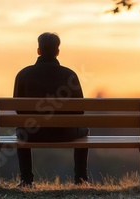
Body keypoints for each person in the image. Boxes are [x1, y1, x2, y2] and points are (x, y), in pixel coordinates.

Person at [13, 32, 89, 188]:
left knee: (20, 130)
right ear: (57, 52)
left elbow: (18, 110)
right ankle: (80, 180)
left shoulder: (23, 75)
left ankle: (26, 180)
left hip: (31, 134)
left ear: (38, 51)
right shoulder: (70, 75)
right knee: (85, 131)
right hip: (65, 134)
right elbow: (80, 110)